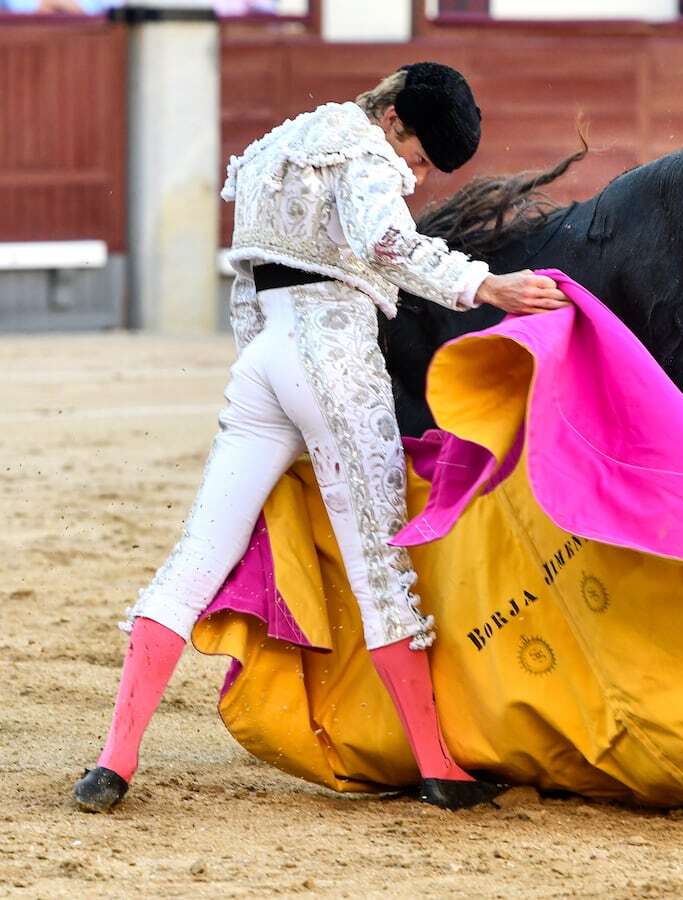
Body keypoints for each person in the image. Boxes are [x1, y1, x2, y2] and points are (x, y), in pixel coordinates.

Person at [72, 62, 569, 814]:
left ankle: (114, 761)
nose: (416, 171)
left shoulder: (279, 145)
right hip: (333, 357)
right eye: (422, 155)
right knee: (382, 569)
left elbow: (244, 277)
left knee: (194, 558)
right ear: (395, 117)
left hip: (262, 358)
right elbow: (386, 244)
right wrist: (487, 287)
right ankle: (438, 767)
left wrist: (260, 380)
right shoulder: (366, 152)